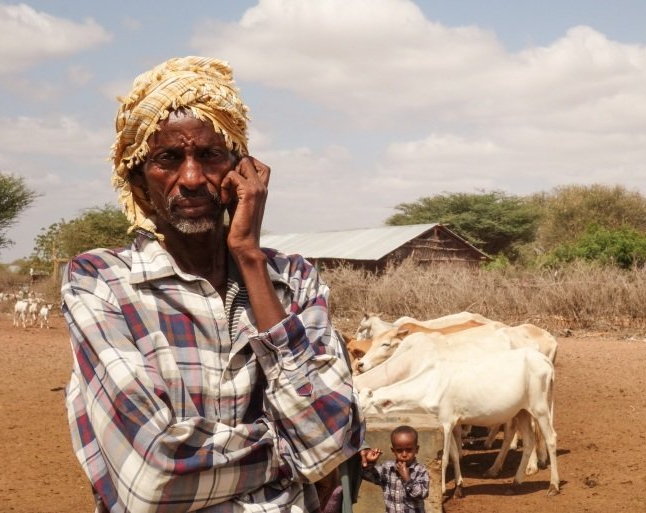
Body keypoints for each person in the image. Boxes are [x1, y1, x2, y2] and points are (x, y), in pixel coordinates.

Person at [62, 56, 364, 513]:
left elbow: (331, 437)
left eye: (209, 155)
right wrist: (294, 455)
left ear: (241, 171)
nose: (191, 179)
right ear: (140, 182)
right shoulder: (102, 282)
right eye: (167, 159)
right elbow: (153, 476)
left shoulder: (294, 280)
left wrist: (248, 255)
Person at [360, 425, 429, 513]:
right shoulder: (387, 468)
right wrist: (369, 463)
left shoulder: (420, 471)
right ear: (393, 450)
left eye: (409, 450)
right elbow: (370, 476)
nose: (404, 454)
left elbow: (423, 494)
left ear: (417, 449)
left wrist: (407, 479)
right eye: (399, 450)